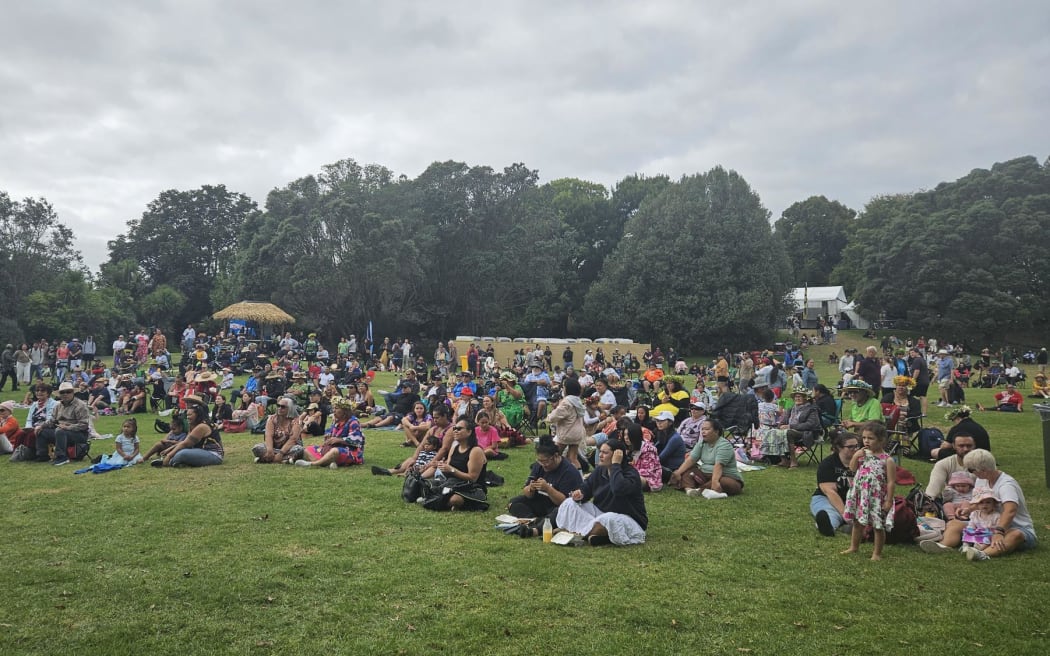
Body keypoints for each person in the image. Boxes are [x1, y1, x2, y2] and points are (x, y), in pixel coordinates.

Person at [920, 449, 1037, 560]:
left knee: (1015, 535)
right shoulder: (982, 480)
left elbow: (1010, 510)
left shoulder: (1006, 485)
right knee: (954, 524)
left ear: (983, 470)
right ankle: (943, 546)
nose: (970, 473)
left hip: (1012, 527)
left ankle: (981, 554)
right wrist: (969, 510)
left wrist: (999, 532)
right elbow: (980, 502)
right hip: (984, 525)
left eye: (971, 470)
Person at [556, 438, 648, 546]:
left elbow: (618, 489)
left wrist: (616, 466)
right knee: (569, 503)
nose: (600, 455)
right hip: (601, 514)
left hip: (629, 520)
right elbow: (587, 488)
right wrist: (580, 494)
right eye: (600, 452)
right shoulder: (600, 470)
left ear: (616, 456)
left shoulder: (631, 474)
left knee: (608, 519)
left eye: (605, 453)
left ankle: (576, 535)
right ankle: (595, 536)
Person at [506, 434, 585, 537]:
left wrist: (548, 489)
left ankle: (539, 526)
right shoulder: (539, 466)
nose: (543, 465)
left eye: (546, 461)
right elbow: (526, 493)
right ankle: (535, 521)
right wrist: (531, 489)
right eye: (540, 461)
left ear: (556, 456)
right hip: (540, 501)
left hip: (557, 506)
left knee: (559, 513)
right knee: (513, 503)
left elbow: (564, 502)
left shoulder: (569, 472)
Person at [841, 422, 896, 560]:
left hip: (877, 496)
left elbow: (891, 482)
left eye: (870, 438)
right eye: (864, 437)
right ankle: (854, 547)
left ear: (881, 440)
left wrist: (889, 500)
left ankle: (876, 553)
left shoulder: (887, 460)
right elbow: (852, 469)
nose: (866, 441)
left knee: (878, 525)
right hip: (861, 493)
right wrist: (855, 456)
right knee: (858, 522)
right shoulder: (862, 454)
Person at [419, 418, 488, 511]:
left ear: (469, 432)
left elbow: (473, 478)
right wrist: (440, 465)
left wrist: (451, 470)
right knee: (425, 484)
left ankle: (438, 500)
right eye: (454, 428)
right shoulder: (454, 447)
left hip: (471, 488)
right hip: (452, 483)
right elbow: (448, 468)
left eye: (459, 429)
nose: (455, 431)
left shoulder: (476, 451)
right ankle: (439, 499)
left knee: (455, 499)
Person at [668, 418, 744, 497]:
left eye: (707, 429)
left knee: (725, 482)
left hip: (724, 476)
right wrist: (678, 472)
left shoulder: (724, 445)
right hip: (705, 475)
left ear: (716, 431)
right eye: (702, 429)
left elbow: (718, 465)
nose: (703, 432)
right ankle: (690, 490)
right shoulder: (702, 443)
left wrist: (715, 481)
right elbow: (691, 459)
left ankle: (701, 490)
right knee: (687, 471)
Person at [811, 431, 861, 536]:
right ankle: (828, 528)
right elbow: (830, 491)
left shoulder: (864, 463)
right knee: (832, 513)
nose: (856, 449)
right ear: (839, 448)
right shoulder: (828, 464)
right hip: (827, 498)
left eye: (857, 446)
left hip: (855, 499)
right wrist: (845, 513)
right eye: (850, 447)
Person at [153, 395, 224, 467]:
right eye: (187, 415)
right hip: (200, 450)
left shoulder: (202, 426)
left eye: (190, 415)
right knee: (180, 451)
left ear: (197, 414)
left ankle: (169, 462)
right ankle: (180, 462)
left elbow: (186, 444)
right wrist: (170, 449)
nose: (187, 417)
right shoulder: (194, 424)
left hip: (214, 454)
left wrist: (169, 456)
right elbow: (186, 441)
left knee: (182, 454)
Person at [296, 396, 365, 468]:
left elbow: (357, 440)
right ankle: (327, 463)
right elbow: (330, 431)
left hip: (350, 450)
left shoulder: (353, 421)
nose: (334, 411)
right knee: (308, 449)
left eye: (336, 408)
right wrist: (328, 435)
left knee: (335, 451)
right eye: (333, 408)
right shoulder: (336, 420)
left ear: (345, 410)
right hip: (332, 448)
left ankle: (313, 464)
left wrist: (339, 440)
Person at [33, 381, 90, 465]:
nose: (65, 394)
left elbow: (84, 425)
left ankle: (62, 457)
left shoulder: (80, 405)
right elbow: (52, 421)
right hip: (60, 431)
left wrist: (68, 427)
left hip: (79, 434)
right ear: (59, 394)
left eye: (68, 392)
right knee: (42, 431)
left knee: (60, 431)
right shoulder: (58, 406)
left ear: (73, 392)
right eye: (62, 392)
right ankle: (42, 455)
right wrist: (41, 426)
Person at [546, 378, 587, 470]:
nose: (563, 389)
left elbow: (556, 415)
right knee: (573, 458)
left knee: (555, 455)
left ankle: (551, 474)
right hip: (577, 434)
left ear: (567, 389)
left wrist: (549, 417)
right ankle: (579, 478)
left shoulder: (567, 402)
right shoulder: (578, 401)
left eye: (564, 387)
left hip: (566, 433)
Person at [777, 386, 822, 468]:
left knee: (789, 432)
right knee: (774, 432)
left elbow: (810, 425)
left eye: (799, 396)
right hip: (791, 432)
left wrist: (790, 426)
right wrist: (780, 426)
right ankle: (784, 460)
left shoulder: (812, 409)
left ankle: (794, 461)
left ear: (805, 398)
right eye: (795, 397)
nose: (797, 398)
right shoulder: (791, 409)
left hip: (807, 433)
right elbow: (783, 421)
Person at [925, 432, 977, 500]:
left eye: (969, 446)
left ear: (974, 446)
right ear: (954, 446)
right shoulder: (943, 464)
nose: (965, 449)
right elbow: (932, 491)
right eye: (961, 446)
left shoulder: (983, 464)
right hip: (952, 503)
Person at [253, 395, 303, 464]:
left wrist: (281, 453)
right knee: (257, 447)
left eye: (283, 407)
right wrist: (270, 451)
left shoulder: (296, 421)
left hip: (289, 448)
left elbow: (293, 440)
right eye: (278, 406)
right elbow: (268, 436)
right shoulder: (271, 419)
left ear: (290, 408)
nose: (279, 408)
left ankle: (266, 459)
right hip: (274, 448)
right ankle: (284, 460)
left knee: (299, 449)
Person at [961, 486, 1002, 555]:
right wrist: (971, 531)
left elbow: (997, 527)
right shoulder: (975, 514)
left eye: (988, 502)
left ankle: (979, 548)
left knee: (988, 538)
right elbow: (971, 524)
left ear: (994, 504)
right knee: (967, 531)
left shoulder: (996, 516)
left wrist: (994, 532)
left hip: (988, 534)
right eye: (981, 503)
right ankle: (966, 545)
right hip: (978, 532)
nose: (984, 505)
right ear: (977, 504)